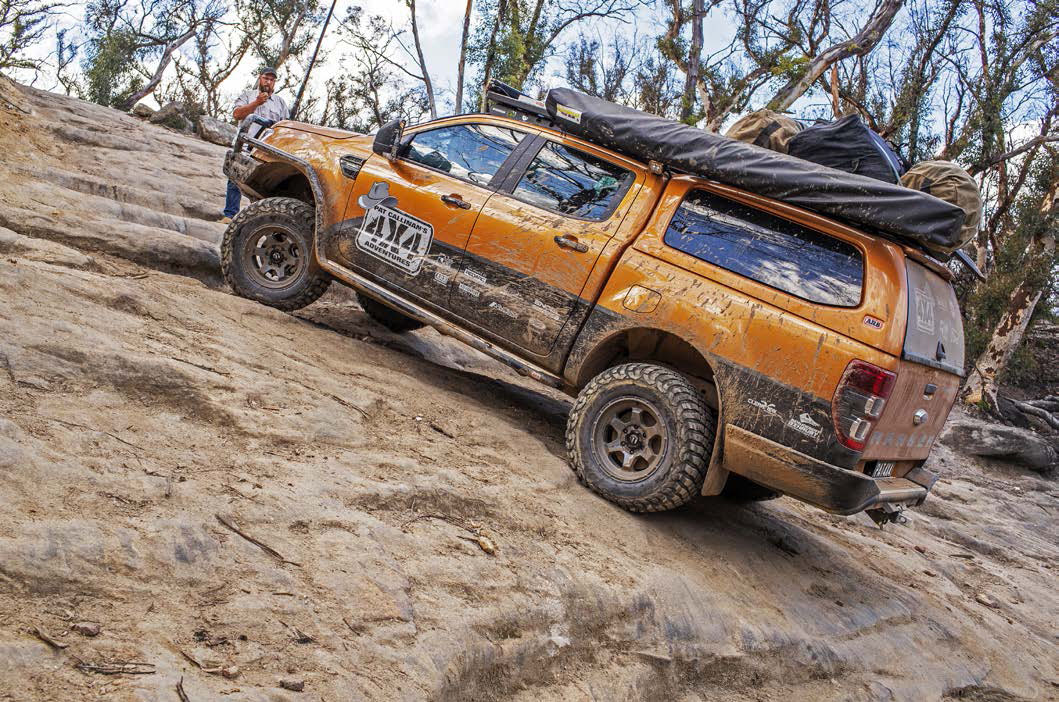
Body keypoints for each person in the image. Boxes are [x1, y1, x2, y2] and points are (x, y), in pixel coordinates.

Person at [221, 67, 290, 222]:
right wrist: (256, 103)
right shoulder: (248, 95)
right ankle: (230, 214)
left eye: (272, 80)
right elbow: (237, 114)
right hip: (244, 144)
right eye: (266, 78)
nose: (269, 82)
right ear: (260, 78)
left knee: (263, 185)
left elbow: (286, 126)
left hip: (267, 149)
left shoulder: (280, 103)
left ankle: (259, 220)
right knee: (235, 178)